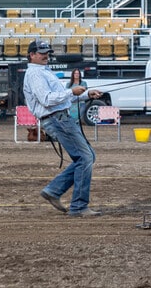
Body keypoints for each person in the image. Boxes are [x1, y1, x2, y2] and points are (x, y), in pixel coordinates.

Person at [23, 39, 105, 217]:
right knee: (85, 157)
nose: (46, 56)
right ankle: (78, 206)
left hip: (58, 117)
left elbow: (60, 99)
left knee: (86, 157)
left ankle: (54, 191)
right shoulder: (36, 74)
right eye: (42, 53)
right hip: (57, 119)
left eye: (47, 52)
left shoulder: (43, 71)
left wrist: (85, 94)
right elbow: (47, 99)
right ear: (32, 55)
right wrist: (71, 92)